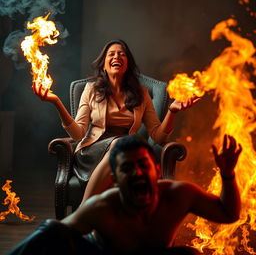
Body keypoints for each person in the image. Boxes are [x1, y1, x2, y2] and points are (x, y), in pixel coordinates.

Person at [8, 134, 242, 255]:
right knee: (50, 232)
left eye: (143, 165)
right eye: (127, 169)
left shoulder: (178, 195)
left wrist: (228, 174)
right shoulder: (102, 207)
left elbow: (228, 213)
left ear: (157, 171)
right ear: (116, 180)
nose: (136, 173)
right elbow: (53, 234)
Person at [33, 39, 200, 202]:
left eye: (122, 54)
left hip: (128, 154)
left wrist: (172, 111)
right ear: (104, 64)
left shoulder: (142, 93)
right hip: (93, 153)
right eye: (111, 54)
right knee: (119, 144)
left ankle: (88, 213)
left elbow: (158, 137)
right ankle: (87, 207)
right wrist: (56, 102)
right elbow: (78, 135)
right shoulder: (90, 90)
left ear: (128, 64)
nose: (116, 57)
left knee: (121, 145)